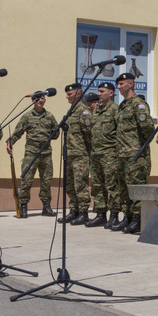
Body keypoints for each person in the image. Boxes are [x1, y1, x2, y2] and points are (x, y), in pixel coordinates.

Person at [6, 93, 59, 217]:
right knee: (27, 180)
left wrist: (49, 135)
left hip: (46, 153)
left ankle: (46, 206)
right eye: (38, 98)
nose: (40, 100)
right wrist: (10, 142)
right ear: (32, 100)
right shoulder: (27, 116)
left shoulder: (50, 116)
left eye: (43, 98)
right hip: (31, 153)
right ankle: (23, 206)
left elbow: (56, 134)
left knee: (46, 181)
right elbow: (18, 131)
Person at [114, 74, 154, 234]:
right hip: (122, 154)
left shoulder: (139, 104)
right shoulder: (122, 106)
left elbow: (148, 130)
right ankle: (128, 217)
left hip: (135, 155)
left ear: (131, 84)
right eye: (117, 84)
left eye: (121, 83)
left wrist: (137, 148)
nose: (118, 87)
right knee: (124, 188)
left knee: (136, 187)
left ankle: (138, 219)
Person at [86, 82, 121, 228]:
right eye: (98, 91)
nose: (99, 94)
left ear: (111, 93)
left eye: (102, 91)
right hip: (96, 154)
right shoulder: (97, 111)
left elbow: (120, 132)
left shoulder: (116, 110)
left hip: (110, 154)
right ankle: (100, 214)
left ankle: (114, 215)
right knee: (97, 185)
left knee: (112, 185)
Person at [58, 83, 93, 225]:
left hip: (80, 154)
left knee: (80, 185)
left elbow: (89, 133)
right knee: (70, 185)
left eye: (69, 94)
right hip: (69, 154)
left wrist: (87, 152)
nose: (67, 97)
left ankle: (83, 213)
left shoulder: (84, 112)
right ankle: (74, 211)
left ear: (78, 93)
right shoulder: (70, 111)